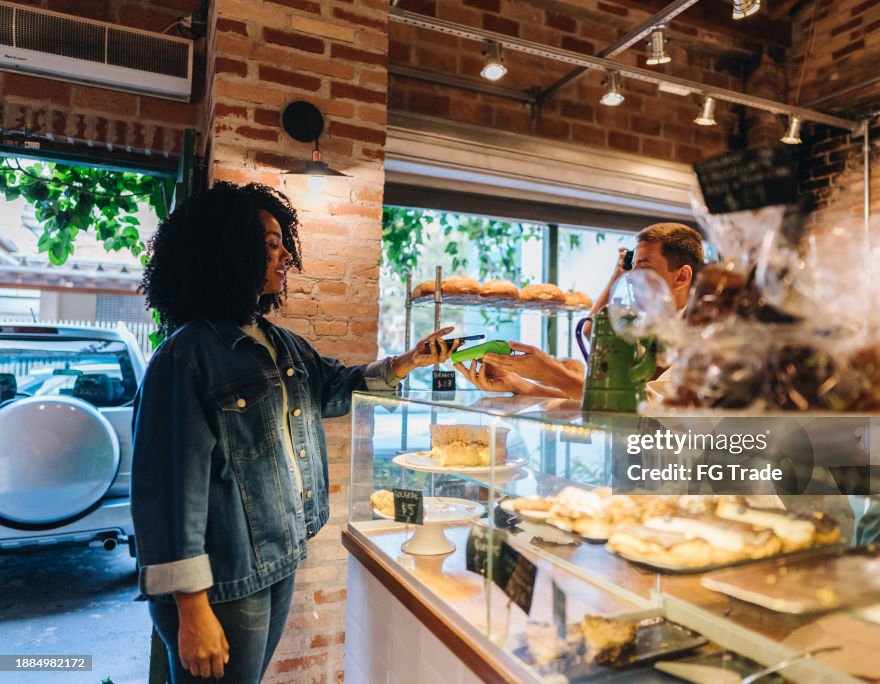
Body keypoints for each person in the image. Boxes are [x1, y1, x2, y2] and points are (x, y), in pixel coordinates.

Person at [131, 181, 456, 683]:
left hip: (277, 558)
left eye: (284, 243)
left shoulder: (280, 343)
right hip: (222, 581)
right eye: (270, 244)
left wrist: (407, 362)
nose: (286, 256)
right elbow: (170, 495)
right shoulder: (185, 357)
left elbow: (334, 387)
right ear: (226, 250)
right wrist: (191, 608)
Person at [456, 222, 704, 398]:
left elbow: (646, 407)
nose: (630, 278)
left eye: (643, 266)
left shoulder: (702, 339)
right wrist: (521, 385)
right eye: (631, 267)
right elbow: (602, 393)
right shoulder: (645, 329)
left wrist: (552, 374)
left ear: (681, 276)